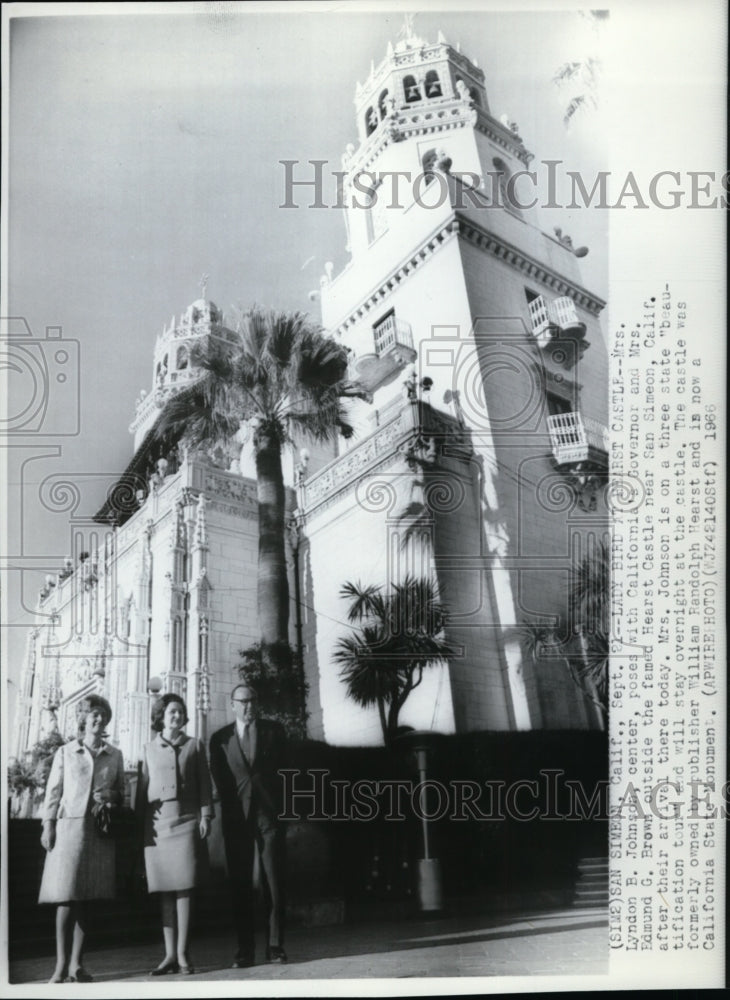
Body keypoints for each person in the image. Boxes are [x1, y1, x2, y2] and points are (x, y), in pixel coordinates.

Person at [39, 694, 126, 984]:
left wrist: (111, 797)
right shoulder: (66, 752)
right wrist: (48, 824)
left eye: (103, 715)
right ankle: (60, 966)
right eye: (94, 715)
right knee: (65, 897)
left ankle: (78, 965)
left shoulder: (115, 755)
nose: (99, 720)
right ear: (84, 719)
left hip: (99, 830)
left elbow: (122, 793)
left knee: (87, 899)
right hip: (69, 828)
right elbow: (54, 791)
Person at [209, 683, 287, 967]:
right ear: (232, 705)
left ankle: (276, 946)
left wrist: (282, 808)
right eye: (242, 702)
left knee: (274, 882)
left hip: (269, 817)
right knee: (240, 884)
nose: (248, 706)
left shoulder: (274, 732)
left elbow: (286, 772)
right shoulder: (219, 738)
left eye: (252, 700)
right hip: (236, 819)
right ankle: (245, 950)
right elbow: (219, 781)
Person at [138, 693, 213, 976]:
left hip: (186, 821)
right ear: (162, 715)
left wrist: (206, 816)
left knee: (185, 889)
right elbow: (141, 793)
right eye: (172, 712)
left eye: (181, 712)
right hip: (157, 826)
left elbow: (205, 784)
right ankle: (168, 955)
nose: (177, 716)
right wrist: (139, 828)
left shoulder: (194, 745)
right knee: (164, 892)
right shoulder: (147, 748)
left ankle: (182, 954)